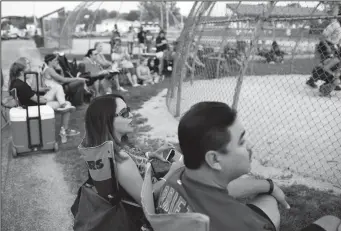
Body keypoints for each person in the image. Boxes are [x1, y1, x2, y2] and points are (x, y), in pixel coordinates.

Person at [157, 101, 341, 231]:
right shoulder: (244, 224)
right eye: (242, 141)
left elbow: (223, 191)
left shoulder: (177, 176)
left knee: (268, 199)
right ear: (214, 160)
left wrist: (268, 185)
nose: (250, 146)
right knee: (332, 222)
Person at [78, 94, 183, 230]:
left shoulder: (112, 149)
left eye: (129, 110)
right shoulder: (122, 160)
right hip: (143, 218)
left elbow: (132, 168)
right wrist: (171, 174)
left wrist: (151, 155)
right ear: (107, 121)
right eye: (124, 113)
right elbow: (147, 200)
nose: (131, 115)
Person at [9, 61, 80, 143]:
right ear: (22, 72)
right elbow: (36, 99)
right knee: (68, 104)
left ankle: (62, 105)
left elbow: (31, 94)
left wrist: (43, 96)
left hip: (33, 103)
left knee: (58, 87)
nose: (30, 71)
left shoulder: (15, 82)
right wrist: (45, 99)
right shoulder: (22, 85)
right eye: (28, 70)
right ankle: (64, 129)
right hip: (36, 107)